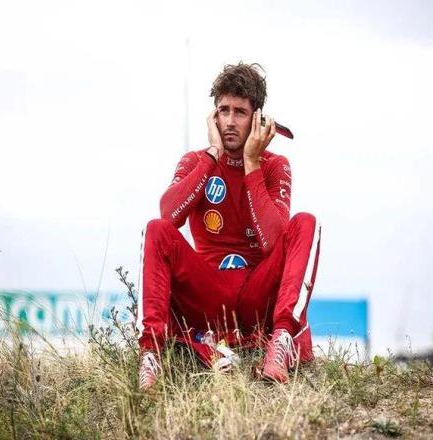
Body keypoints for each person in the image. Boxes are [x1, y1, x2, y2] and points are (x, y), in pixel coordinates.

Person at [137, 62, 320, 389]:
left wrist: (251, 163)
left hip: (256, 298)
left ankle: (280, 343)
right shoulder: (196, 161)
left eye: (240, 112)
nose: (231, 121)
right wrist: (212, 156)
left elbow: (273, 241)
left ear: (257, 119)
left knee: (306, 223)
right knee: (155, 229)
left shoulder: (275, 166)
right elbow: (168, 217)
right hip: (207, 296)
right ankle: (150, 355)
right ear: (213, 116)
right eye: (224, 110)